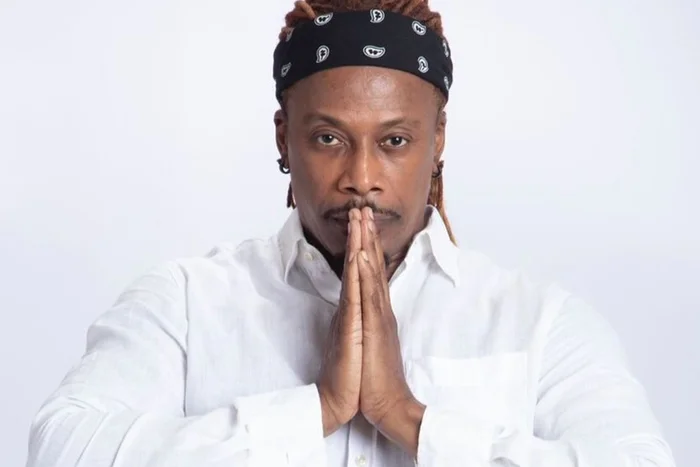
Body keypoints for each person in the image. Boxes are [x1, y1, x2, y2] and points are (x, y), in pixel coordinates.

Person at [27, 1, 676, 466]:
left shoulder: (539, 323)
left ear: (438, 140)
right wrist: (316, 410)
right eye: (328, 138)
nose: (361, 178)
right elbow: (59, 448)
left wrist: (408, 418)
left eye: (394, 141)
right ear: (284, 138)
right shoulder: (187, 304)